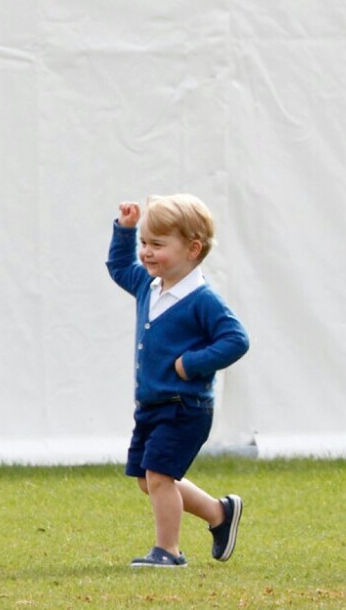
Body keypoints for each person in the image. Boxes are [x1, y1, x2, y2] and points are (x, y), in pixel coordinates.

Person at [106, 193, 250, 568]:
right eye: (144, 243)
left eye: (157, 244)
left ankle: (168, 552)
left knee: (159, 475)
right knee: (147, 478)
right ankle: (219, 514)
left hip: (185, 406)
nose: (146, 253)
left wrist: (193, 363)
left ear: (192, 248)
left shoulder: (203, 300)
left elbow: (236, 340)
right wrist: (125, 231)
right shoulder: (148, 285)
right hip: (152, 405)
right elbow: (120, 267)